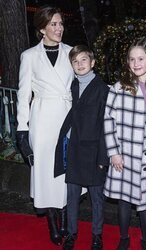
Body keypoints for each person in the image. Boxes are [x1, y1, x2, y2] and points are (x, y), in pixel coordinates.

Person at [16, 6, 76, 246]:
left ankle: (64, 220)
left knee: (64, 172)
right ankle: (53, 222)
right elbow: (23, 95)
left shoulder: (72, 52)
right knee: (45, 173)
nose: (59, 28)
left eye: (60, 23)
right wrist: (22, 128)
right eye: (53, 24)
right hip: (41, 121)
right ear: (42, 28)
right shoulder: (29, 56)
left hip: (66, 118)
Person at [104, 37, 146, 250]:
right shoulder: (118, 88)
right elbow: (108, 121)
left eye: (141, 58)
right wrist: (113, 152)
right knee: (124, 201)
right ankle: (124, 237)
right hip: (125, 156)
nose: (136, 63)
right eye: (132, 59)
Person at [54, 45, 109, 250]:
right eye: (75, 61)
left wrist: (103, 158)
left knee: (96, 199)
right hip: (76, 150)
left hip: (94, 153)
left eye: (83, 60)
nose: (79, 64)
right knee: (72, 197)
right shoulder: (73, 87)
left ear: (93, 63)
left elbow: (107, 126)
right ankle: (71, 233)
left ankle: (97, 236)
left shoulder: (103, 90)